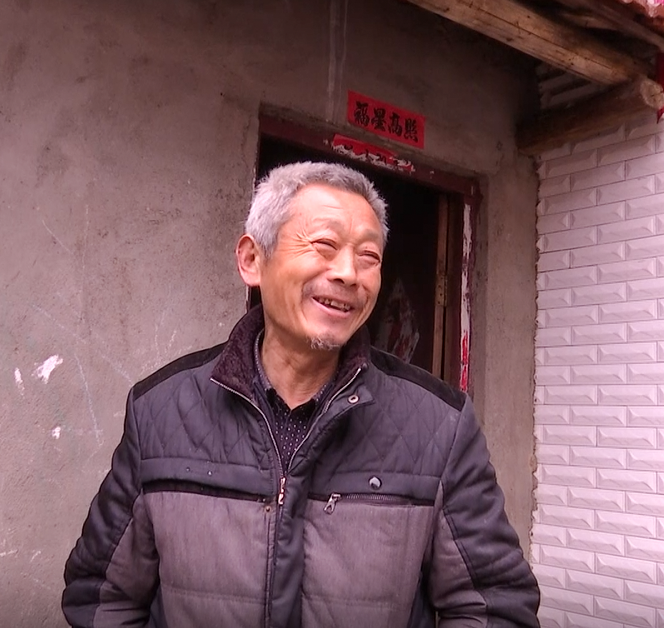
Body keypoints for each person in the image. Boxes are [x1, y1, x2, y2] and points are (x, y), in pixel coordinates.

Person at [62, 161, 540, 627]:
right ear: (252, 260)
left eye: (369, 257)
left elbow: (495, 605)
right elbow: (100, 596)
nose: (349, 273)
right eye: (324, 245)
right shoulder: (160, 411)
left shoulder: (440, 425)